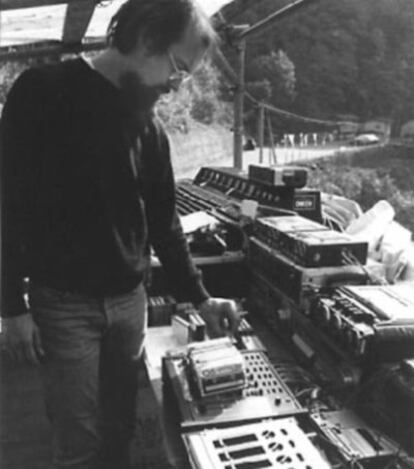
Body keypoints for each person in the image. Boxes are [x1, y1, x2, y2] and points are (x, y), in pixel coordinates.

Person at [0, 1, 241, 468]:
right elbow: (6, 204)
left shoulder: (149, 128)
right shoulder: (41, 92)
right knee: (78, 440)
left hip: (130, 301)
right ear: (147, 36)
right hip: (64, 305)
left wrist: (201, 297)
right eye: (177, 69)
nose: (174, 87)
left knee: (121, 427)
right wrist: (10, 307)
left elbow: (165, 224)